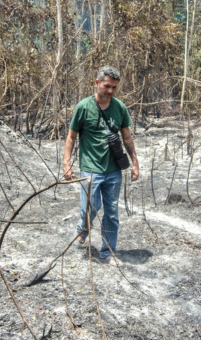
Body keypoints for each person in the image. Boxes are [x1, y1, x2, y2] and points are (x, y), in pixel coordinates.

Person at [63, 65, 139, 265]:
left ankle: (108, 252)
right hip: (90, 169)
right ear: (97, 83)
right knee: (90, 208)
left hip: (113, 171)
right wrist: (66, 164)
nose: (110, 91)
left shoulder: (119, 108)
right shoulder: (83, 107)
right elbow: (71, 137)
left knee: (112, 213)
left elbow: (127, 139)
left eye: (114, 87)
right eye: (107, 86)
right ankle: (84, 227)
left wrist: (135, 164)